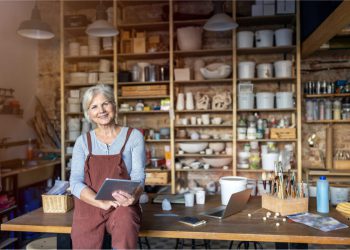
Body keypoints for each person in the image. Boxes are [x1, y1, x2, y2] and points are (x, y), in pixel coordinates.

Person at [69, 84, 145, 249]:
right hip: (90, 206)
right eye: (94, 107)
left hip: (121, 205)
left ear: (114, 106)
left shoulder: (134, 137)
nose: (101, 110)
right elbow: (75, 182)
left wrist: (134, 196)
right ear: (88, 114)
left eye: (105, 103)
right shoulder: (82, 142)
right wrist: (100, 202)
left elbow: (139, 178)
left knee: (126, 219)